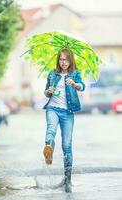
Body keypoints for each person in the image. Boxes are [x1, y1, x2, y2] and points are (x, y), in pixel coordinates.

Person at [43, 48, 85, 193]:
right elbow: (46, 91)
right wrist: (48, 91)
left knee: (67, 145)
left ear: (70, 60)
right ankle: (48, 147)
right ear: (58, 60)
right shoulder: (52, 74)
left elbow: (82, 86)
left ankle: (68, 178)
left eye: (66, 59)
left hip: (68, 113)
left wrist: (74, 83)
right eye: (61, 59)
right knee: (51, 129)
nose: (63, 62)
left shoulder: (75, 74)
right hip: (53, 108)